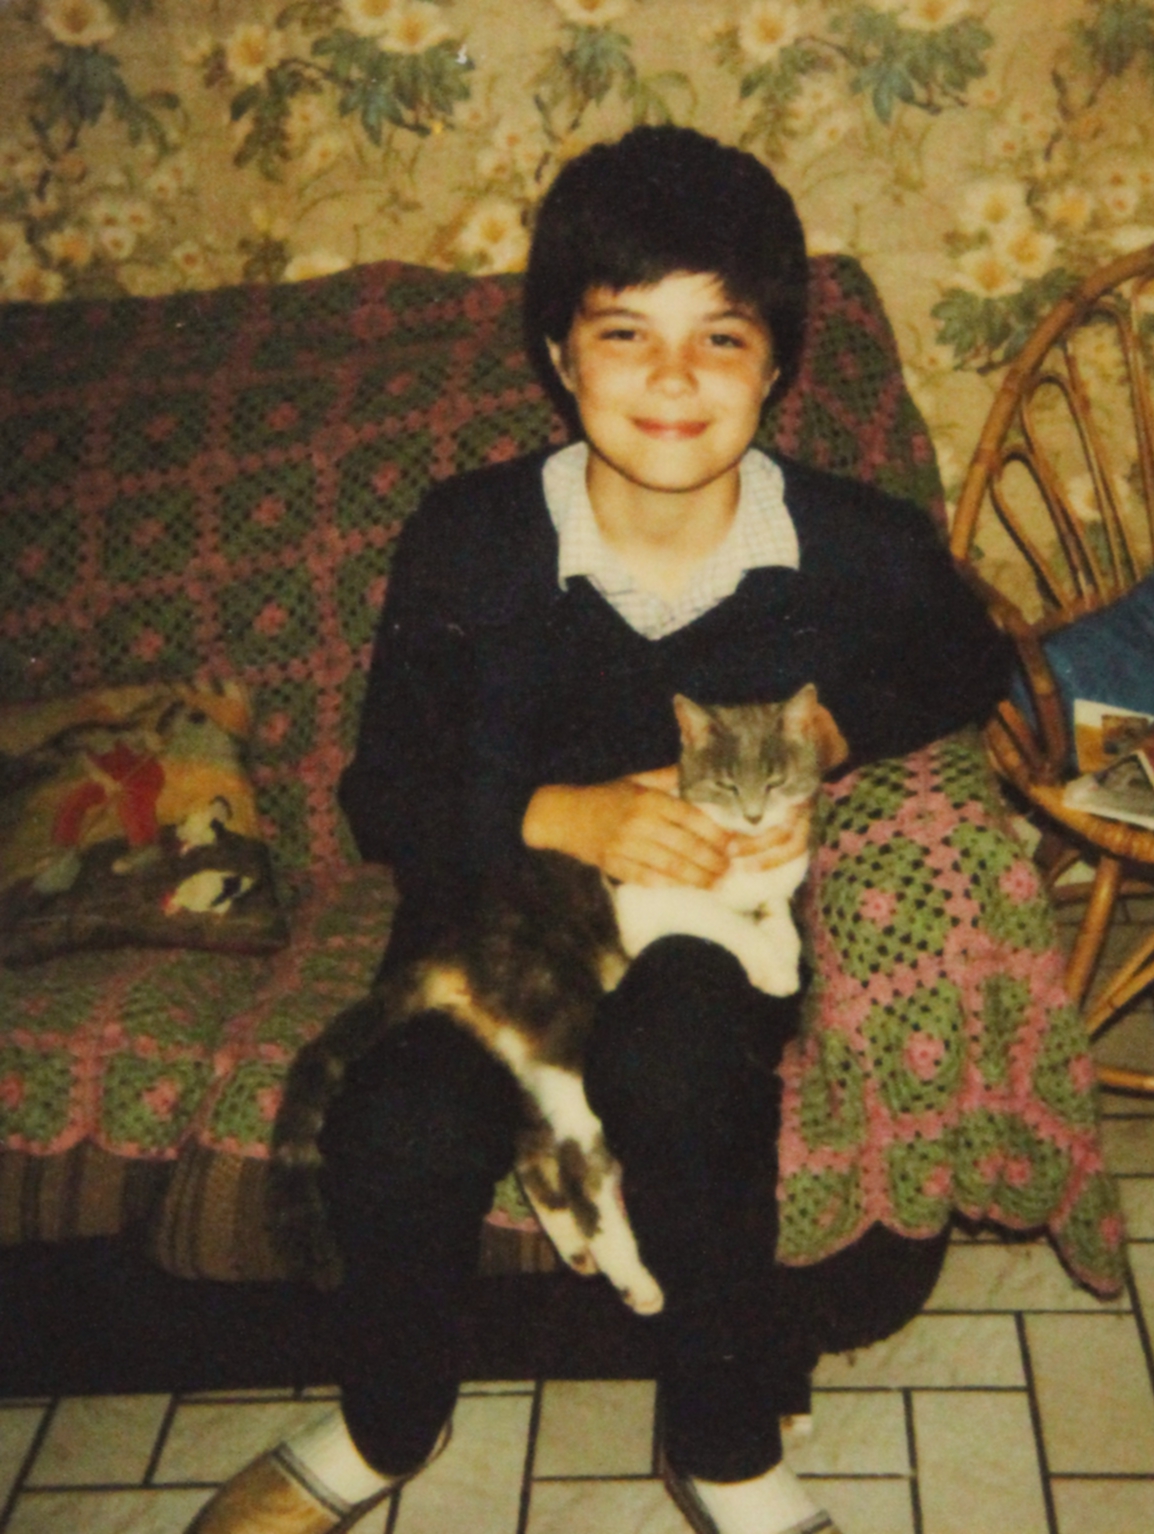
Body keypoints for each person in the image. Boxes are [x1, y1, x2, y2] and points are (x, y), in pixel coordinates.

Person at [186, 124, 1016, 1534]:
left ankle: (725, 1445)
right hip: (509, 925)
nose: (674, 380)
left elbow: (972, 661)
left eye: (721, 340)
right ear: (560, 360)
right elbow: (384, 788)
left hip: (712, 937)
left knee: (679, 1059)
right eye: (627, 335)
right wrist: (566, 814)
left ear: (776, 368)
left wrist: (822, 732)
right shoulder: (470, 537)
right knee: (397, 1122)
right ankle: (387, 1424)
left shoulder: (851, 540)